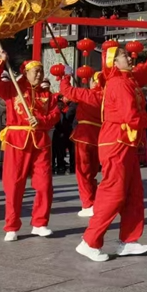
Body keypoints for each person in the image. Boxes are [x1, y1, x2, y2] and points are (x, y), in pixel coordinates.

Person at [77, 45, 147, 262]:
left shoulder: (127, 80)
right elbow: (130, 117)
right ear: (113, 63)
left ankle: (128, 241)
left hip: (126, 144)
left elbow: (144, 73)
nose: (129, 57)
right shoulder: (118, 83)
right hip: (116, 144)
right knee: (114, 193)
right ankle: (89, 241)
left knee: (133, 194)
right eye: (123, 56)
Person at [0, 56, 60, 241]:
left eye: (41, 71)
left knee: (44, 185)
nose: (39, 75)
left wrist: (41, 121)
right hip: (17, 141)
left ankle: (40, 223)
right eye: (36, 71)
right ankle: (11, 226)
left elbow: (55, 114)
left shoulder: (46, 94)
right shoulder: (13, 89)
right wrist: (0, 62)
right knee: (13, 185)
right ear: (25, 73)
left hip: (40, 142)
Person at [59, 69, 104, 216]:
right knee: (92, 172)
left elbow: (65, 89)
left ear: (93, 82)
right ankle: (96, 200)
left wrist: (67, 76)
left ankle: (87, 203)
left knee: (82, 172)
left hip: (84, 135)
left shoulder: (87, 94)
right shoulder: (107, 97)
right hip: (100, 137)